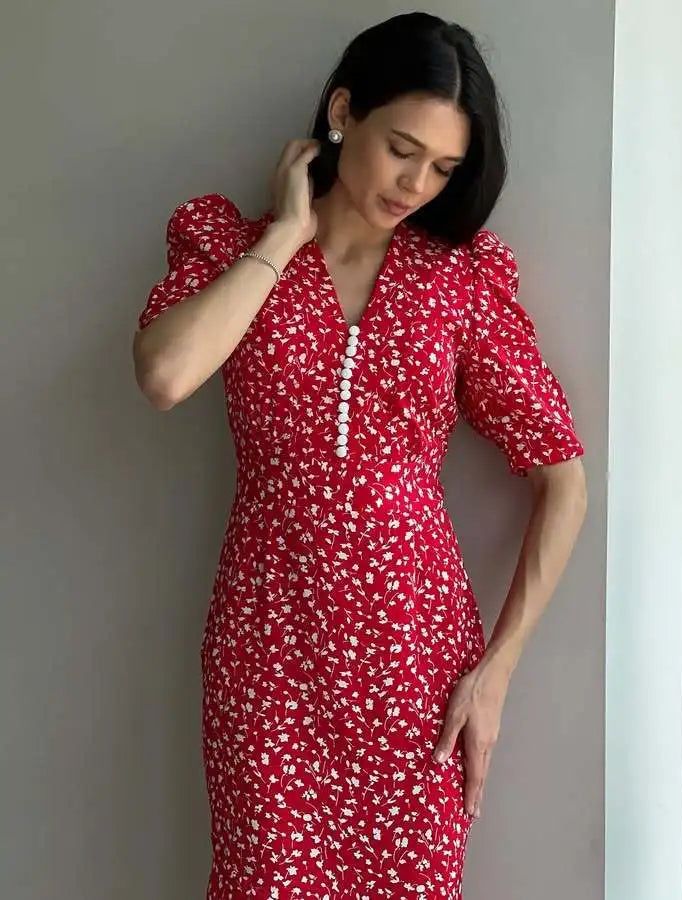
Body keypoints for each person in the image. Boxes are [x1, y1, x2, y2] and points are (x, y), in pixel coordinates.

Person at [132, 11, 587, 899]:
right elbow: (165, 374)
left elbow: (562, 477)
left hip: (418, 669)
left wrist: (496, 673)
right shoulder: (230, 244)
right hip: (269, 661)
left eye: (444, 168)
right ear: (344, 111)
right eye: (401, 149)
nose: (416, 184)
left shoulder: (457, 280)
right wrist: (284, 235)